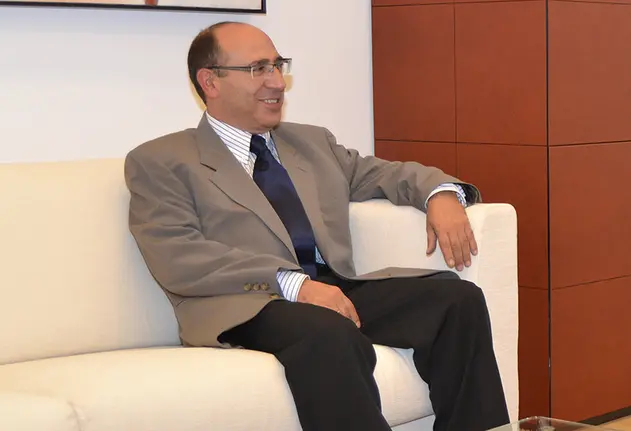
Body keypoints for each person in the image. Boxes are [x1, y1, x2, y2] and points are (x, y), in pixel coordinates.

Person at [124, 21, 509, 431]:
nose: (277, 82)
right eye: (258, 69)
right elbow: (177, 256)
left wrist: (441, 194)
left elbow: (384, 175)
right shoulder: (162, 161)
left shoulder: (311, 143)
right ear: (210, 82)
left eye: (278, 65)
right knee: (328, 332)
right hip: (248, 302)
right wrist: (295, 285)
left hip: (330, 285)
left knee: (455, 299)